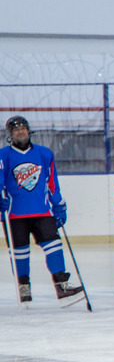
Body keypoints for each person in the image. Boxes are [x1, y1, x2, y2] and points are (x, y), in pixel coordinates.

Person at [0, 116, 84, 304]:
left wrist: (59, 206)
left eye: (23, 128)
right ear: (10, 134)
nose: (20, 132)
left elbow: (52, 183)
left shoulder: (44, 154)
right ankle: (23, 288)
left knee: (54, 246)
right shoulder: (3, 156)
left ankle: (62, 287)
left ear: (29, 131)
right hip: (14, 214)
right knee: (20, 253)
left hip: (42, 211)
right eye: (16, 129)